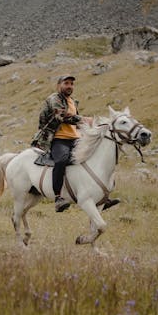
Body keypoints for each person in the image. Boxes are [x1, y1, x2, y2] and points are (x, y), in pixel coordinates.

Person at [32, 74, 120, 213]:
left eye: (71, 84)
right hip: (58, 139)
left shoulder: (72, 101)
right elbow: (61, 116)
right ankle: (58, 197)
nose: (69, 86)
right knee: (61, 160)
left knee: (92, 158)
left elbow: (75, 122)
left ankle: (100, 196)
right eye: (66, 83)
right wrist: (84, 120)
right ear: (59, 85)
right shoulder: (54, 99)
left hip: (74, 138)